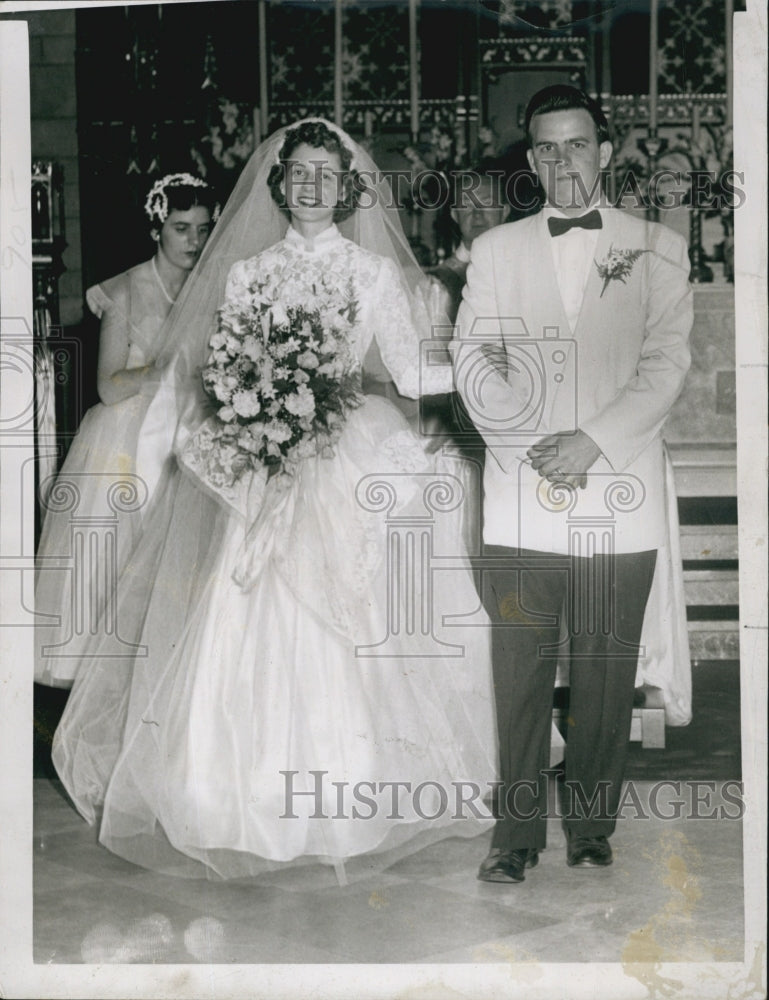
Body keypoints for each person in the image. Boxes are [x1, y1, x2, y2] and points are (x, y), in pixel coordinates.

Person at [51, 119, 497, 882]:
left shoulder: (372, 272)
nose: (312, 186)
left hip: (346, 448)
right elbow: (223, 362)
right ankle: (234, 796)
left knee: (352, 611)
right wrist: (251, 407)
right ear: (280, 183)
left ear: (346, 185)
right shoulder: (249, 270)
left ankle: (354, 793)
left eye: (326, 173)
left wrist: (464, 341)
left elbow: (415, 375)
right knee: (243, 604)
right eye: (299, 173)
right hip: (263, 450)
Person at [452, 85, 693, 882]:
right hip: (521, 495)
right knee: (516, 671)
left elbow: (665, 365)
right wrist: (527, 446)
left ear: (606, 149)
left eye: (577, 144)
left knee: (603, 671)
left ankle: (591, 828)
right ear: (530, 159)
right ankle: (513, 841)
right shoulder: (495, 252)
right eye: (546, 148)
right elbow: (472, 360)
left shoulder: (655, 247)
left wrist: (591, 442)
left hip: (617, 493)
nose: (562, 161)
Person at [34, 174, 217, 689]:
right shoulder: (122, 290)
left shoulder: (214, 287)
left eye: (203, 229)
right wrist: (166, 369)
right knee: (116, 552)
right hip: (125, 437)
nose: (194, 242)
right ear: (157, 227)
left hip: (190, 432)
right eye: (181, 229)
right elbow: (109, 387)